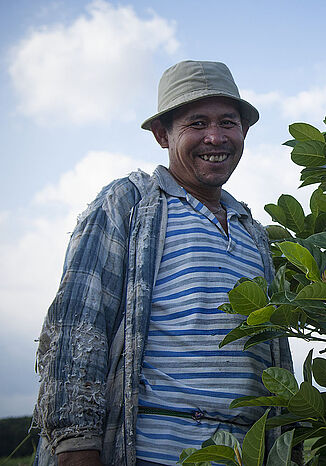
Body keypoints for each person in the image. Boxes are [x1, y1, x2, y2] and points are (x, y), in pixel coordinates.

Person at [33, 60, 293, 466]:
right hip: (151, 455)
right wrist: (75, 447)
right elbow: (76, 328)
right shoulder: (129, 204)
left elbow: (274, 362)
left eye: (228, 122)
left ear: (243, 131)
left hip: (245, 455)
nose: (215, 137)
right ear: (162, 134)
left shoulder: (253, 232)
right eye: (196, 123)